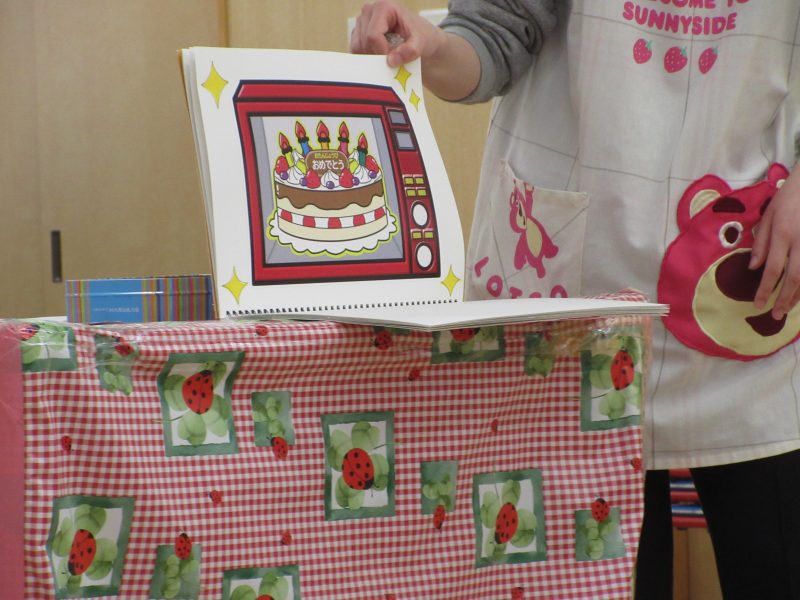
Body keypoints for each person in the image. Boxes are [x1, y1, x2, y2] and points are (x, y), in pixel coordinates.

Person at [351, 1, 800, 599]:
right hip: (577, 289)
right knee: (595, 581)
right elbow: (492, 35)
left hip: (757, 273)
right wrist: (431, 48)